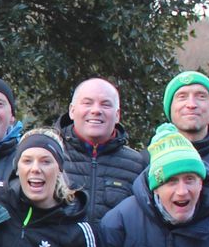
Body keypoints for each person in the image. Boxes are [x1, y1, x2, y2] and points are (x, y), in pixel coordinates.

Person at [56, 78, 146, 223]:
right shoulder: (50, 155)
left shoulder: (137, 165)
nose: (96, 110)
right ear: (72, 111)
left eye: (105, 104)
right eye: (87, 103)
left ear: (117, 115)